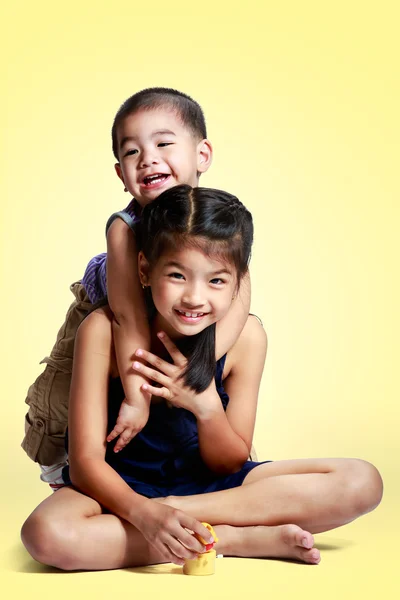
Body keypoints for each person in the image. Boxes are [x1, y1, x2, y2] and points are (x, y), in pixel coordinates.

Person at [21, 185, 383, 570]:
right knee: (47, 534)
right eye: (177, 275)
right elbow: (85, 462)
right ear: (144, 270)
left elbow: (230, 462)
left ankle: (177, 522)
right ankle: (233, 537)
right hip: (121, 487)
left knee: (362, 481)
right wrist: (139, 511)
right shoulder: (103, 330)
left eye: (216, 281)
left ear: (238, 281)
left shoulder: (246, 338)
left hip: (215, 491)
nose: (195, 298)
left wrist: (207, 406)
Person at [21, 88, 253, 490]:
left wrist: (199, 370)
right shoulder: (124, 229)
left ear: (202, 155)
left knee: (194, 404)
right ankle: (62, 468)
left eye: (163, 143)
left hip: (171, 318)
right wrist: (138, 400)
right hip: (106, 312)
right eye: (132, 153)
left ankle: (204, 474)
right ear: (121, 175)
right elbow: (126, 317)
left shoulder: (216, 221)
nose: (147, 158)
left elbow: (242, 295)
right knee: (63, 397)